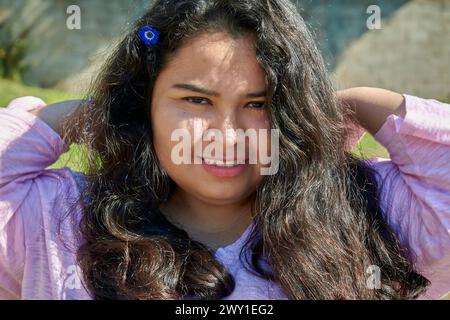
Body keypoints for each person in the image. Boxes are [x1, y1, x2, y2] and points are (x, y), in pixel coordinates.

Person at [0, 0, 449, 300]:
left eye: (260, 104)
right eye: (197, 100)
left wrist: (357, 104)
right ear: (145, 102)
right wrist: (77, 118)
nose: (227, 134)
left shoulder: (367, 212)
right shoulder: (59, 220)